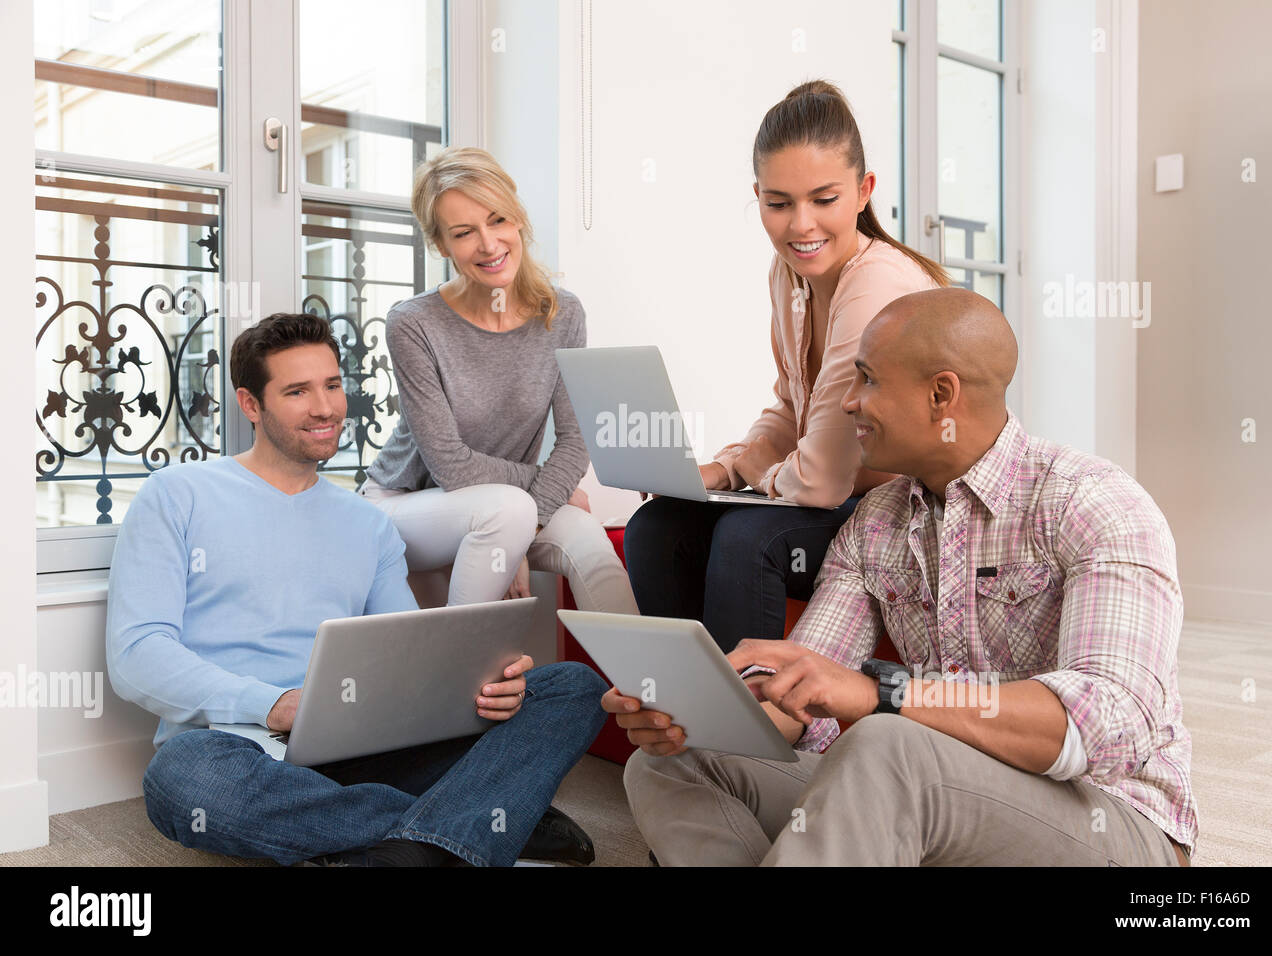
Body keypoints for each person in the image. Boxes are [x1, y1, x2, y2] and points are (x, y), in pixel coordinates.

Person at [609, 287, 1198, 867]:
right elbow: (802, 698)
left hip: (1105, 819)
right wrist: (695, 717)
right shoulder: (877, 521)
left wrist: (885, 694)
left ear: (941, 394)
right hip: (927, 795)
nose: (848, 402)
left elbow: (1108, 726)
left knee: (886, 740)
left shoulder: (1092, 501)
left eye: (867, 379)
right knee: (673, 765)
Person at [107, 312, 608, 867]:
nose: (325, 407)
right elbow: (136, 655)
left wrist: (484, 688)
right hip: (240, 747)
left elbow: (408, 654)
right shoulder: (176, 495)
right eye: (297, 391)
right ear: (251, 404)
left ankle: (407, 845)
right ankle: (464, 829)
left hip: (364, 745)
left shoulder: (367, 523)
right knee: (183, 780)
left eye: (332, 385)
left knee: (572, 688)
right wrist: (273, 705)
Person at [623, 80, 945, 652]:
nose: (801, 225)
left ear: (864, 191)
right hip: (844, 500)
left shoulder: (876, 284)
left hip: (910, 515)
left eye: (824, 200)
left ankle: (742, 710)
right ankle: (679, 698)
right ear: (758, 197)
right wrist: (724, 470)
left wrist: (757, 474)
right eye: (778, 204)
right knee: (657, 528)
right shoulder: (790, 274)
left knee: (749, 536)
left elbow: (821, 478)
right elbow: (793, 406)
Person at [360, 147, 638, 614]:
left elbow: (575, 442)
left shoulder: (562, 313)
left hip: (511, 508)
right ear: (441, 245)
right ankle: (463, 660)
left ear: (519, 219)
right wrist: (539, 496)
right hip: (406, 504)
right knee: (508, 512)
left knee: (591, 546)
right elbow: (451, 467)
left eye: (498, 220)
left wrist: (526, 528)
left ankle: (640, 662)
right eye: (464, 233)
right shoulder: (413, 323)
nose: (489, 245)